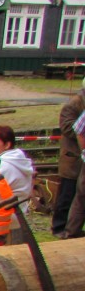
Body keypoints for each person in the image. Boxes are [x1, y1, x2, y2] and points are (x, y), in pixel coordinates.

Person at [54, 77, 85, 238]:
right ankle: (59, 227)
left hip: (79, 156)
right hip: (73, 156)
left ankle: (71, 228)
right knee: (67, 194)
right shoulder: (74, 104)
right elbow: (67, 127)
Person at [0, 124, 35, 210]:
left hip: (5, 212)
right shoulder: (17, 159)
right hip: (18, 209)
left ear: (7, 145)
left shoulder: (3, 165)